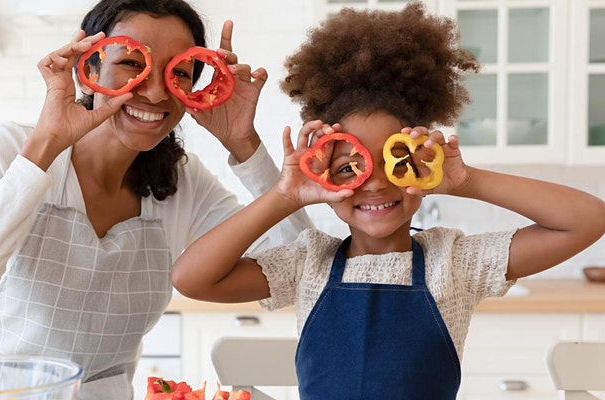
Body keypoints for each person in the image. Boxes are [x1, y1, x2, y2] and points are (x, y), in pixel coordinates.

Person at [171, 3, 605, 399]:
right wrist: (285, 195)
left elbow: (587, 219)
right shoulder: (307, 263)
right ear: (321, 179)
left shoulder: (452, 263)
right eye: (349, 167)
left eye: (396, 161)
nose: (375, 184)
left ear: (423, 166)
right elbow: (192, 279)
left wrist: (465, 179)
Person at [0, 0, 312, 398]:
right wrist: (46, 144)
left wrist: (243, 144)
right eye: (131, 63)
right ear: (89, 70)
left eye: (179, 72)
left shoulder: (183, 181)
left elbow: (304, 268)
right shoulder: (10, 149)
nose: (157, 92)